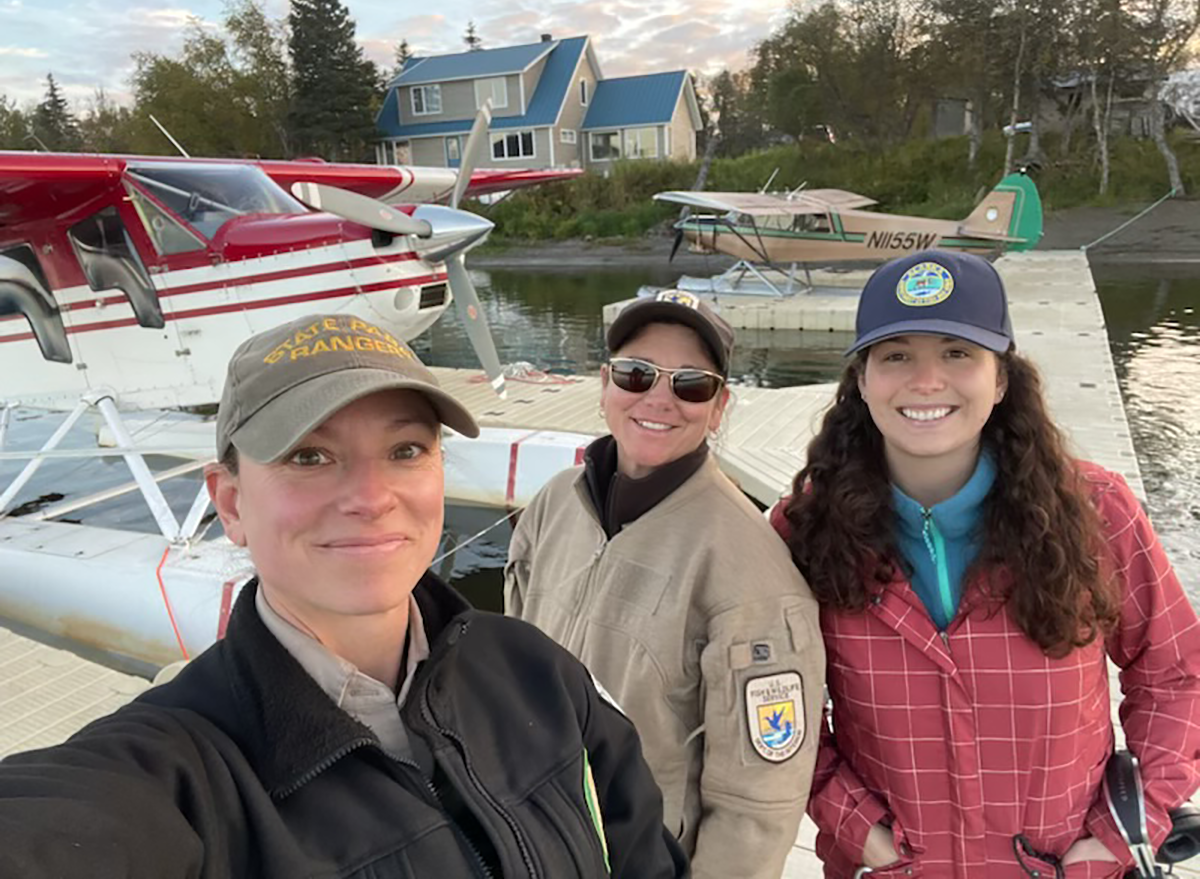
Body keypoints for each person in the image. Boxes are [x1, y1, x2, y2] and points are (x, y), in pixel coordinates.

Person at [0, 313, 689, 879]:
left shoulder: (538, 670)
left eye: (406, 450)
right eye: (309, 456)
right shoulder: (180, 770)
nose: (371, 497)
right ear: (231, 503)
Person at [768, 251, 1200, 878]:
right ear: (861, 380)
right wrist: (861, 830)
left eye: (957, 353)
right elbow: (777, 704)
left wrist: (1126, 828)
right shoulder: (804, 530)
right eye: (896, 356)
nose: (926, 380)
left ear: (1000, 381)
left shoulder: (1097, 511)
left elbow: (1177, 673)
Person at [506, 289, 825, 879]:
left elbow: (758, 809)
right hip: (527, 839)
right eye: (636, 374)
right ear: (605, 383)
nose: (658, 399)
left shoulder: (754, 572)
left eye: (691, 385)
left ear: (719, 407)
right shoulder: (552, 505)